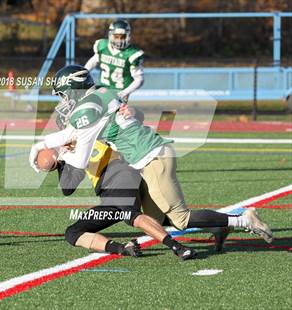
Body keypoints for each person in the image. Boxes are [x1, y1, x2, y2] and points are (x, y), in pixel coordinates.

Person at [29, 65, 273, 247]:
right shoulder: (103, 94)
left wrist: (51, 153)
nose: (64, 103)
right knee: (158, 219)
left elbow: (77, 163)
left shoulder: (87, 114)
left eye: (63, 95)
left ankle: (243, 219)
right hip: (149, 159)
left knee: (180, 219)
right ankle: (220, 225)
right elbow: (119, 116)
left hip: (149, 160)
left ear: (74, 89)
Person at [54, 115, 197, 260]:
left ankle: (178, 247)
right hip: (109, 195)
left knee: (132, 215)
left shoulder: (94, 129)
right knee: (73, 232)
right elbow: (68, 188)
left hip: (120, 175)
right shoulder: (74, 148)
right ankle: (123, 248)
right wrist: (60, 164)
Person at [84, 19, 144, 102]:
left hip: (120, 93)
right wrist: (83, 74)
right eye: (116, 36)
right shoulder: (102, 46)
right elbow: (93, 62)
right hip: (102, 89)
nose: (119, 40)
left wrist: (124, 93)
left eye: (122, 36)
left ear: (128, 36)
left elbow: (139, 79)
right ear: (110, 35)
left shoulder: (132, 53)